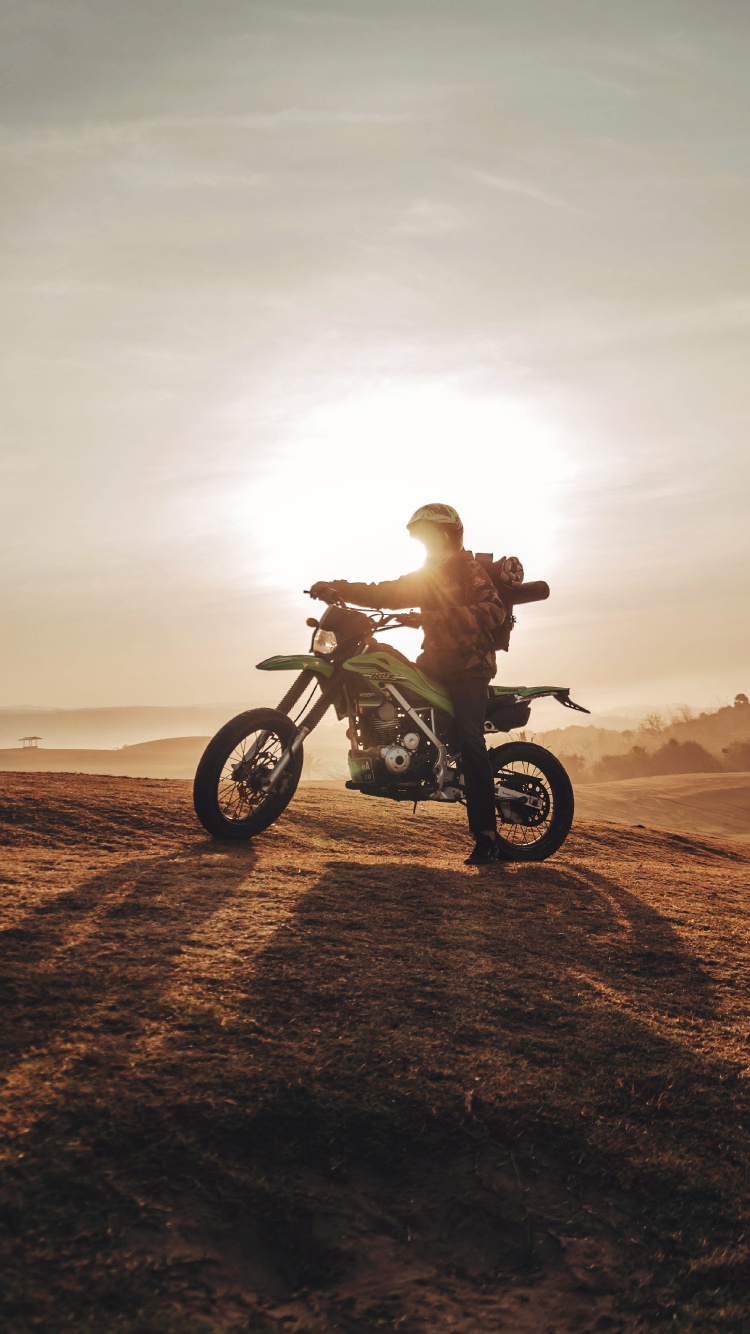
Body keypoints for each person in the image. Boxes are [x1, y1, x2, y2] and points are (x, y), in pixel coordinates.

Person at [310, 503, 508, 865]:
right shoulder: (427, 574)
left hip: (469, 669)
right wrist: (336, 588)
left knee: (470, 740)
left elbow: (494, 611)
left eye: (430, 535)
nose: (425, 542)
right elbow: (384, 592)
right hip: (433, 665)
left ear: (448, 534)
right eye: (422, 537)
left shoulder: (469, 570)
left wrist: (429, 617)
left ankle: (487, 836)